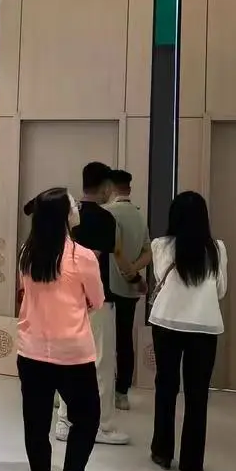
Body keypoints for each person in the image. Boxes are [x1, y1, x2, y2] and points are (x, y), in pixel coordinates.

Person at [17, 188, 104, 471]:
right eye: (73, 204)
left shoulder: (28, 254)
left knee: (36, 422)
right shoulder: (82, 257)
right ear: (64, 215)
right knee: (87, 417)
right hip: (73, 353)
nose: (77, 207)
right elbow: (97, 300)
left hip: (32, 350)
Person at [149, 191, 227, 471]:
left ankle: (162, 451)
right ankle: (192, 463)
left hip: (166, 322)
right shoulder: (217, 249)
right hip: (204, 327)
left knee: (166, 387)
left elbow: (160, 278)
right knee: (197, 395)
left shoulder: (160, 245)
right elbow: (221, 290)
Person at [56, 162, 130, 446]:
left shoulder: (68, 216)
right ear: (106, 187)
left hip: (66, 301)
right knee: (100, 363)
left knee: (68, 360)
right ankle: (102, 425)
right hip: (97, 300)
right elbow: (99, 259)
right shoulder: (105, 218)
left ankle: (64, 421)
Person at [105, 169, 152, 411]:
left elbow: (116, 251)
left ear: (111, 188)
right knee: (125, 341)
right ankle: (122, 393)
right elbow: (148, 252)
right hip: (130, 290)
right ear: (129, 188)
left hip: (108, 287)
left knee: (103, 340)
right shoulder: (139, 216)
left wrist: (128, 272)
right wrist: (134, 272)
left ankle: (102, 390)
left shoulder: (107, 214)